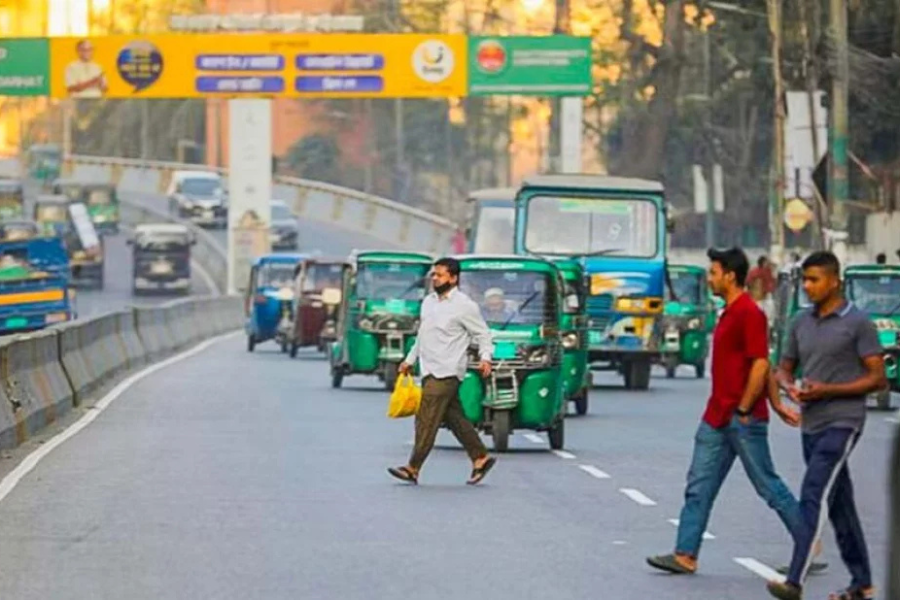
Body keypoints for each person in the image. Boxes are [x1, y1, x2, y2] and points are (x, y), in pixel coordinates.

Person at [647, 247, 825, 576]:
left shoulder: (749, 313)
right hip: (717, 416)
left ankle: (808, 540)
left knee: (768, 485)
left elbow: (761, 364)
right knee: (699, 484)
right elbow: (762, 365)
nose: (710, 278)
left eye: (714, 272)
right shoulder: (727, 312)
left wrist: (751, 407)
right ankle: (686, 553)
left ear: (730, 275)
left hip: (742, 418)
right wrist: (775, 404)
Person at [766, 251, 886, 600]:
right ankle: (861, 584)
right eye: (805, 280)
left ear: (835, 280)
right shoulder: (800, 322)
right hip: (812, 423)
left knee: (814, 492)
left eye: (815, 279)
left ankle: (795, 581)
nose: (808, 286)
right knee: (840, 504)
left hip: (843, 422)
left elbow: (877, 378)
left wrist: (829, 390)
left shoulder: (858, 323)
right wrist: (789, 387)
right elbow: (784, 367)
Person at [388, 257, 497, 486]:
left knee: (426, 418)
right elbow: (422, 335)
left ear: (453, 278)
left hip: (447, 370)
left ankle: (413, 467)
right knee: (455, 418)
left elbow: (483, 334)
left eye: (439, 275)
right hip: (428, 368)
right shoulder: (428, 302)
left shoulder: (464, 306)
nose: (434, 278)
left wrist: (485, 358)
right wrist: (409, 359)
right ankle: (480, 457)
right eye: (434, 275)